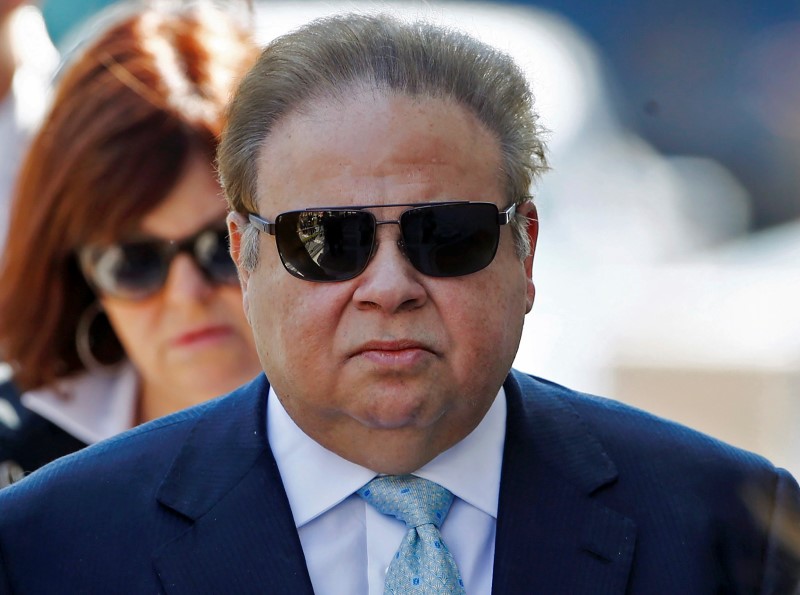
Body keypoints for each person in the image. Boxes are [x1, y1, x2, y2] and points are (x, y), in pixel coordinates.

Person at [0, 12, 798, 594]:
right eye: (327, 239)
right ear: (248, 259)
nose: (388, 286)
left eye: (446, 236)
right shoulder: (46, 548)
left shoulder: (733, 531)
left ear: (526, 247)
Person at [0, 2, 262, 486]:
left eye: (222, 246)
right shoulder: (13, 459)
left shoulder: (401, 424)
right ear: (81, 275)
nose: (187, 294)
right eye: (134, 261)